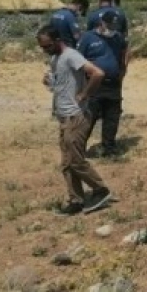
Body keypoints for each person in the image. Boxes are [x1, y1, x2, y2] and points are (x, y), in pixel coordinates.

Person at [36, 25, 113, 216]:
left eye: (47, 46)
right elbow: (61, 84)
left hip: (76, 116)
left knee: (76, 160)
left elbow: (97, 73)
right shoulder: (55, 59)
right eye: (43, 48)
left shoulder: (71, 55)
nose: (45, 50)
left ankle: (100, 190)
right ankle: (75, 200)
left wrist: (85, 94)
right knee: (66, 163)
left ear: (57, 41)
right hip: (63, 116)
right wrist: (50, 82)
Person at [78, 12, 130, 157]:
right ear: (102, 23)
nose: (112, 29)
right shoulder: (88, 37)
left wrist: (123, 68)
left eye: (115, 26)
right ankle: (79, 149)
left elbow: (125, 50)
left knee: (112, 117)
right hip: (94, 83)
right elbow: (78, 59)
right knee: (89, 116)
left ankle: (109, 149)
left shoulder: (118, 37)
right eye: (110, 25)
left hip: (113, 84)